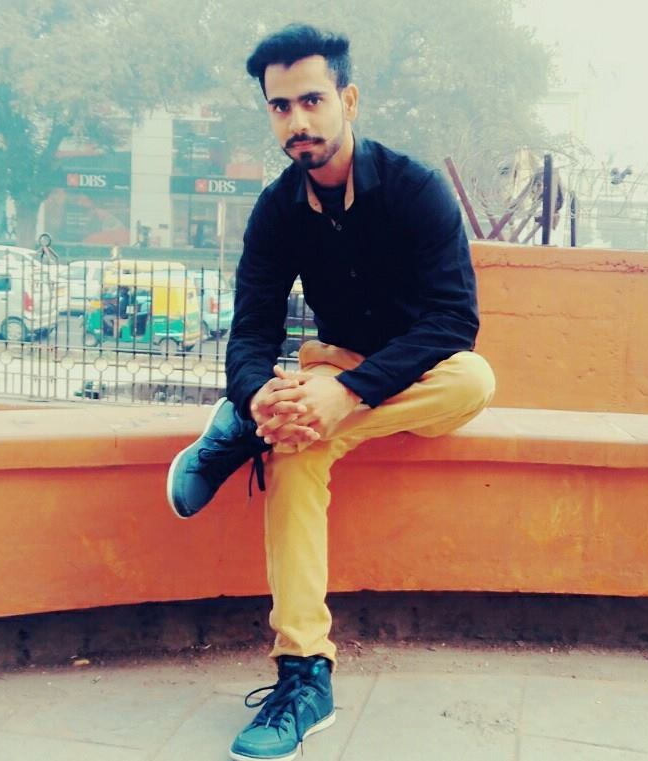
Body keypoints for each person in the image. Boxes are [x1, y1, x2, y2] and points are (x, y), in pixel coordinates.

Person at [166, 24, 495, 761]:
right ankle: (304, 673)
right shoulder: (277, 209)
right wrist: (258, 395)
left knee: (475, 378)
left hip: (417, 372)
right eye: (280, 107)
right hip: (331, 366)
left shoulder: (414, 190)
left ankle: (253, 432)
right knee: (293, 447)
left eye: (311, 100)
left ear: (348, 99)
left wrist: (346, 394)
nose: (297, 121)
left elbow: (453, 321)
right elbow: (251, 331)